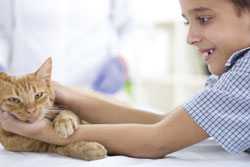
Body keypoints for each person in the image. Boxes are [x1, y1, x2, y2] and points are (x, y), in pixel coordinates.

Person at [1, 0, 250, 158]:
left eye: (204, 19)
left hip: (95, 81)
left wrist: (43, 133)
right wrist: (70, 96)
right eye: (187, 21)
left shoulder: (244, 74)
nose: (190, 36)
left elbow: (157, 140)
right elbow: (167, 122)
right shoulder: (235, 69)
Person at [0, 0, 131, 94]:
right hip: (26, 98)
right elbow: (3, 30)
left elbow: (131, 25)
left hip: (93, 93)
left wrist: (122, 61)